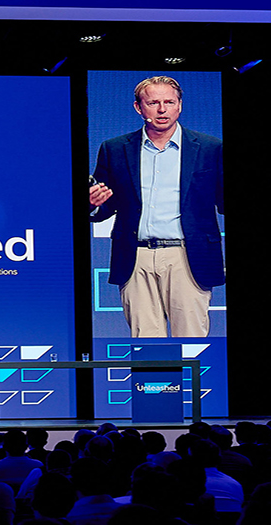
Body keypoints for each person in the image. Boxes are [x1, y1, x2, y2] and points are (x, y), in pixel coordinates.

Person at [89, 76, 224, 337]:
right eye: (153, 103)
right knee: (145, 343)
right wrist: (92, 204)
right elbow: (104, 205)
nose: (162, 110)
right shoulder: (115, 149)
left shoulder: (211, 149)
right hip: (135, 256)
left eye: (169, 102)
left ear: (179, 105)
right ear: (138, 107)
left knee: (192, 341)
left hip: (188, 256)